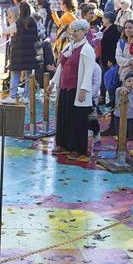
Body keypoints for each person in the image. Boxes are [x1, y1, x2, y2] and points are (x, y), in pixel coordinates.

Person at [49, 19, 96, 161]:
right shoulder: (69, 47)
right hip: (65, 87)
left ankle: (77, 148)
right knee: (64, 117)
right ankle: (63, 144)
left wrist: (84, 89)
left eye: (77, 30)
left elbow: (88, 72)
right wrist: (52, 83)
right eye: (73, 30)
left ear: (84, 32)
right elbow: (61, 67)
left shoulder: (87, 49)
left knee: (77, 120)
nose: (74, 33)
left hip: (77, 89)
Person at [3, 1, 38, 104]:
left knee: (15, 74)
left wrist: (5, 21)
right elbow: (38, 33)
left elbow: (5, 31)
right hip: (31, 53)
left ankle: (12, 97)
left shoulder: (17, 23)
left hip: (18, 52)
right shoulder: (33, 22)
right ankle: (26, 97)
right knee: (28, 75)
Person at [100, 12, 121, 107]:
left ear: (108, 19)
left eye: (103, 18)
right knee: (103, 79)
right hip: (102, 56)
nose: (102, 20)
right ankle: (102, 97)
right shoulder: (104, 28)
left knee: (111, 79)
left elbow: (114, 46)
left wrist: (111, 59)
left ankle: (112, 100)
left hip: (109, 59)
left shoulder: (114, 30)